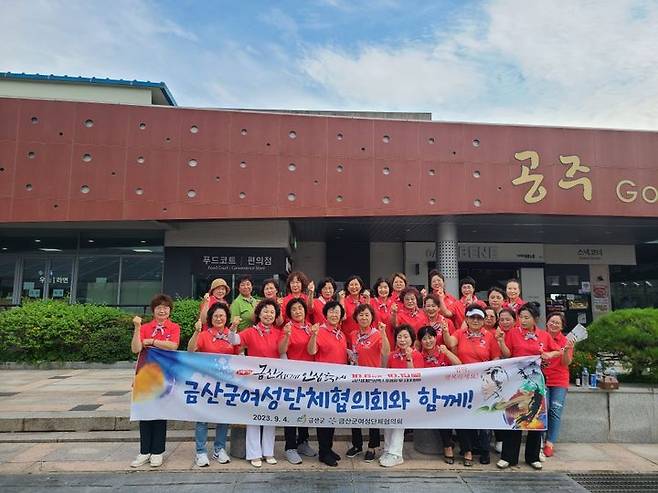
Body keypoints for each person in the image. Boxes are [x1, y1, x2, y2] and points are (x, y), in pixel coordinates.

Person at [495, 302, 562, 470]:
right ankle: (508, 457)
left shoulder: (544, 335)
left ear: (535, 319)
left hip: (537, 382)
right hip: (517, 381)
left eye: (526, 317)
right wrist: (502, 341)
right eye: (521, 317)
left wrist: (548, 354)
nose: (523, 321)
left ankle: (532, 456)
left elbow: (558, 350)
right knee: (514, 416)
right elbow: (507, 354)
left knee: (535, 419)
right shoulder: (512, 333)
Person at [444, 304, 500, 466]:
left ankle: (484, 450)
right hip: (462, 382)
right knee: (465, 415)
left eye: (479, 318)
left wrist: (489, 373)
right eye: (472, 317)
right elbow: (449, 342)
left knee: (482, 416)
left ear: (483, 320)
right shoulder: (460, 333)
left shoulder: (489, 336)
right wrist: (446, 331)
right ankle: (468, 448)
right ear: (466, 319)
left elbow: (496, 357)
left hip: (483, 383)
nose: (475, 320)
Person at [230, 299, 282, 468]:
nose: (269, 315)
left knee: (269, 416)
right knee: (253, 417)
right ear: (259, 314)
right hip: (253, 381)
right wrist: (233, 327)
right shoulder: (250, 332)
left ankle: (268, 452)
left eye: (272, 312)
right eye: (265, 311)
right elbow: (234, 340)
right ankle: (254, 453)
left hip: (273, 380)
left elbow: (283, 354)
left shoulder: (278, 332)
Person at [130, 294, 180, 468]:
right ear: (153, 310)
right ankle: (144, 451)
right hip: (144, 375)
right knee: (144, 415)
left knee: (160, 414)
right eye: (159, 307)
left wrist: (151, 341)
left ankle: (157, 452)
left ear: (169, 311)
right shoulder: (144, 327)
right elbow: (136, 348)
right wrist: (137, 328)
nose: (162, 310)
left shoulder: (173, 327)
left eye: (165, 307)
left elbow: (173, 346)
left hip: (164, 376)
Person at [187, 302, 239, 467]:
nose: (219, 318)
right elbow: (190, 350)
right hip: (206, 383)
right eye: (216, 316)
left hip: (225, 384)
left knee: (222, 418)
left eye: (222, 316)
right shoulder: (203, 334)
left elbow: (239, 356)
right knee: (202, 418)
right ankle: (200, 451)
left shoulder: (231, 335)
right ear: (210, 318)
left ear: (226, 318)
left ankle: (219, 449)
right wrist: (196, 331)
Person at [346, 304, 390, 462]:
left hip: (372, 379)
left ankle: (372, 446)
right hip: (355, 379)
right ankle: (357, 445)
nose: (363, 317)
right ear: (356, 317)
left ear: (372, 317)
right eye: (361, 315)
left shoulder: (377, 334)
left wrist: (384, 333)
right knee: (354, 413)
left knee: (372, 414)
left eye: (367, 315)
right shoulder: (353, 334)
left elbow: (385, 352)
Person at [307, 300, 349, 466]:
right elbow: (311, 351)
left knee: (332, 417)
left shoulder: (341, 333)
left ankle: (328, 447)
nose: (334, 314)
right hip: (323, 382)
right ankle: (323, 452)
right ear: (325, 314)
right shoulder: (320, 331)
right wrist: (314, 335)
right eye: (331, 311)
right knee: (323, 418)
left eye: (337, 312)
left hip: (338, 382)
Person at [278, 298, 318, 464]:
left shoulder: (310, 327)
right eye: (294, 309)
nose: (297, 311)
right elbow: (281, 350)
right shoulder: (287, 327)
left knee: (305, 410)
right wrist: (287, 335)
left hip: (309, 376)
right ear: (289, 312)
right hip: (292, 377)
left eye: (300, 308)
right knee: (292, 411)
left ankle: (303, 442)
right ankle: (290, 447)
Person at [379, 325, 423, 467]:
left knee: (398, 423)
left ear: (412, 339)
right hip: (391, 395)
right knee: (388, 423)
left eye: (406, 337)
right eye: (399, 337)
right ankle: (387, 449)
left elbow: (416, 377)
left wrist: (409, 358)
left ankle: (396, 453)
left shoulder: (416, 354)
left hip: (407, 396)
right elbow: (386, 372)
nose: (402, 340)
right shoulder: (392, 354)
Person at [417, 325, 462, 464]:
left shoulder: (443, 351)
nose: (428, 341)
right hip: (427, 395)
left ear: (435, 338)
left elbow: (459, 365)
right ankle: (447, 446)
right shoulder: (418, 355)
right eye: (424, 339)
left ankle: (462, 447)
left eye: (430, 337)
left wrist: (447, 352)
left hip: (447, 393)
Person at [542, 312, 574, 458]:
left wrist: (566, 350)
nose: (554, 324)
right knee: (543, 410)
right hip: (542, 378)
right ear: (547, 322)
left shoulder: (566, 341)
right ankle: (540, 440)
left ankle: (550, 443)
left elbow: (566, 363)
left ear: (562, 326)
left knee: (555, 410)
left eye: (557, 323)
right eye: (552, 321)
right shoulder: (540, 336)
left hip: (559, 380)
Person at [339, 275, 369, 339]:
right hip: (347, 337)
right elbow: (342, 317)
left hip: (364, 337)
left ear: (361, 287)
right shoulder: (343, 301)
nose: (354, 287)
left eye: (356, 284)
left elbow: (370, 317)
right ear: (347, 287)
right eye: (351, 285)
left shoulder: (365, 300)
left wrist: (368, 300)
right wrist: (341, 300)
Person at [370, 277, 395, 346]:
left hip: (390, 340)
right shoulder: (371, 302)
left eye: (385, 287)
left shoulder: (394, 303)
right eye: (380, 287)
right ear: (377, 289)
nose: (383, 290)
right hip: (374, 340)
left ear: (389, 289)